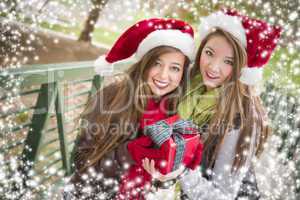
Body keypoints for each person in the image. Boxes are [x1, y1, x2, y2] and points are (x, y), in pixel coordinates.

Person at [142, 8, 281, 200]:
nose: (213, 67)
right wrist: (165, 171)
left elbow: (223, 196)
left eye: (228, 61)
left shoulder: (241, 118)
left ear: (241, 68)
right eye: (209, 53)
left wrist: (181, 172)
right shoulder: (192, 89)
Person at [64, 18, 196, 199]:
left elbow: (166, 179)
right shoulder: (111, 97)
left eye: (174, 68)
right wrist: (129, 153)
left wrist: (164, 177)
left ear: (182, 74)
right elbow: (80, 161)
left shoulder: (175, 111)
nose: (164, 75)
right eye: (157, 63)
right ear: (145, 63)